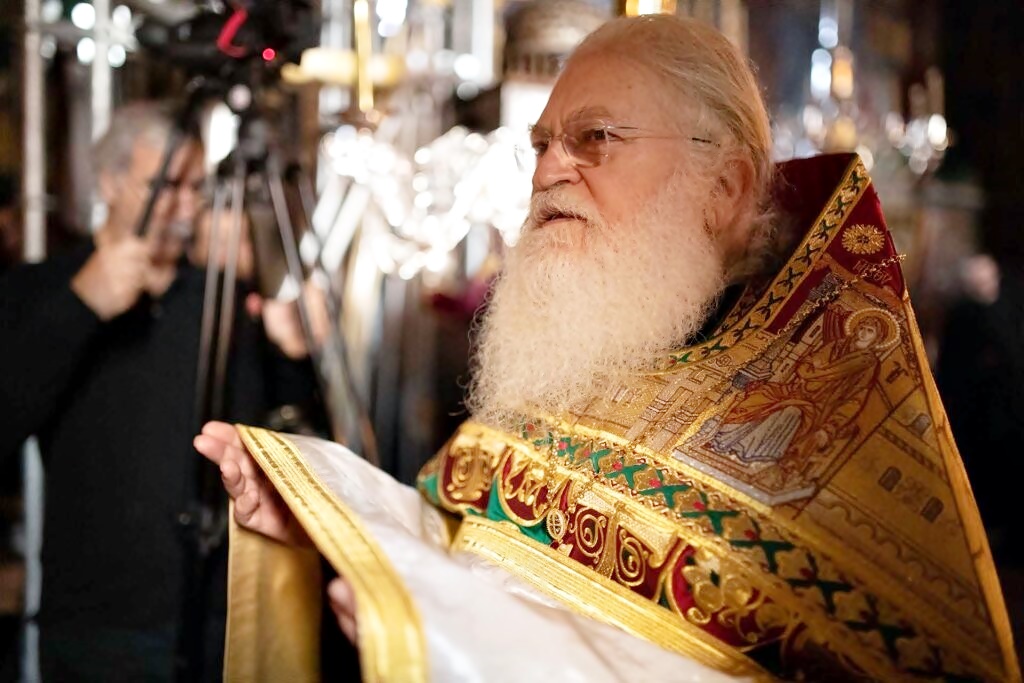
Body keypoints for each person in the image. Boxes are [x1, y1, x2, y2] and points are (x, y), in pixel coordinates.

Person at [196, 14, 1021, 682]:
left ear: (725, 188)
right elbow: (465, 555)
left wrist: (476, 648)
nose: (549, 170)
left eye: (595, 138)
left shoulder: (819, 425)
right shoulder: (580, 357)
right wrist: (328, 522)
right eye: (542, 144)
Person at [0, 102, 319, 681]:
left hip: (216, 619)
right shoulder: (42, 291)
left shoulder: (221, 299)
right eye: (164, 186)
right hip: (98, 627)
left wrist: (292, 352)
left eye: (196, 189)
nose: (185, 208)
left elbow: (286, 435)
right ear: (110, 181)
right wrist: (83, 306)